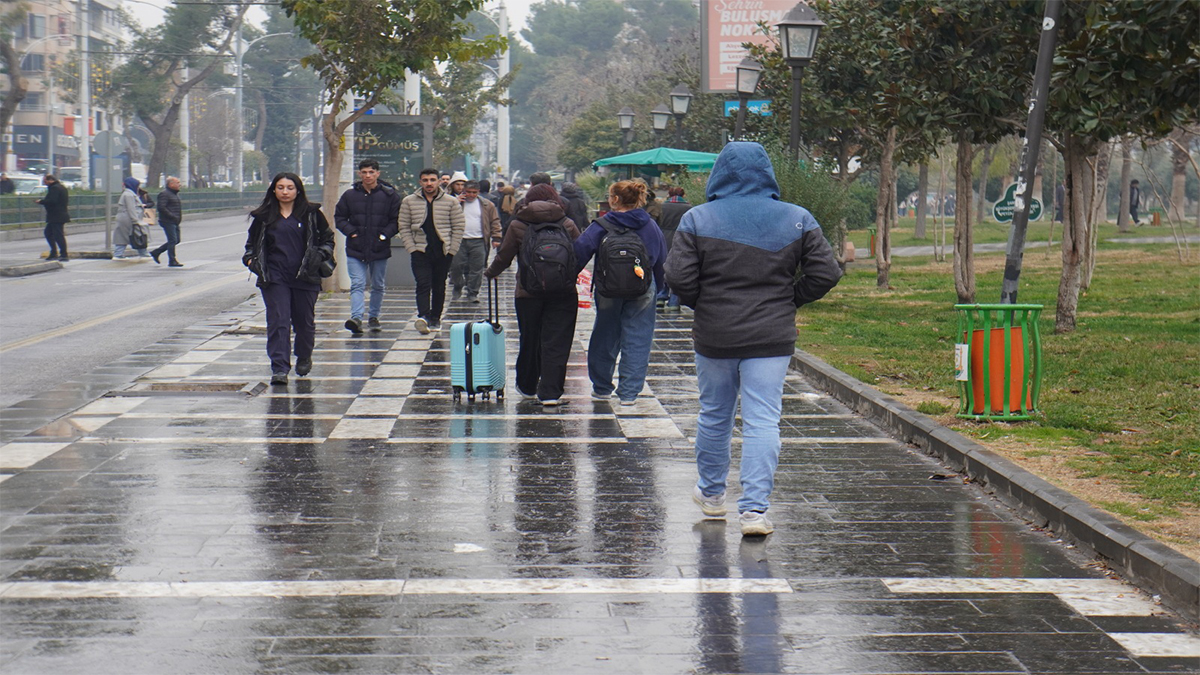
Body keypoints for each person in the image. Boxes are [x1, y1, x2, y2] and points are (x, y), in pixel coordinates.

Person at [666, 142, 842, 536]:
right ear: (767, 172)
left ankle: (712, 495)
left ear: (720, 173)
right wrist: (791, 299)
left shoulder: (697, 218)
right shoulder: (797, 218)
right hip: (771, 335)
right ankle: (754, 511)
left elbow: (677, 277)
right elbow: (826, 273)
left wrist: (703, 303)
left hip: (715, 334)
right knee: (763, 420)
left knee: (715, 414)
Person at [484, 183, 581, 406]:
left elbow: (504, 256)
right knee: (557, 341)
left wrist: (490, 273)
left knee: (530, 338)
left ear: (528, 200)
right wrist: (570, 276)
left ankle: (527, 386)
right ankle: (550, 393)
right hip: (563, 292)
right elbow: (580, 252)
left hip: (527, 292)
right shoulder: (566, 223)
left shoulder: (518, 224)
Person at [573, 180, 667, 406]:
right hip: (643, 286)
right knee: (638, 337)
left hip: (608, 288)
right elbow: (661, 259)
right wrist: (659, 286)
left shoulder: (602, 225)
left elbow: (579, 252)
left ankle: (602, 387)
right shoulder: (650, 225)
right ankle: (629, 393)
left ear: (615, 199)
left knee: (605, 334)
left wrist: (569, 278)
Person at [242, 173, 335, 386]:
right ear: (273, 190)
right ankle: (279, 368)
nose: (285, 192)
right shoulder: (263, 217)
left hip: (305, 276)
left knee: (304, 322)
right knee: (279, 321)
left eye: (290, 188)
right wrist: (251, 261)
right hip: (274, 277)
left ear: (298, 190)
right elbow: (251, 246)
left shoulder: (311, 214)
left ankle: (304, 355)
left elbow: (328, 239)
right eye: (280, 187)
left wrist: (320, 254)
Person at [335, 159, 402, 334]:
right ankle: (356, 318)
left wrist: (384, 235)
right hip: (356, 247)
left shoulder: (390, 196)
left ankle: (373, 317)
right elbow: (339, 217)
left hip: (379, 247)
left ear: (378, 173)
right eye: (364, 172)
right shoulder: (350, 195)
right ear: (359, 174)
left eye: (371, 172)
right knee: (357, 284)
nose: (368, 176)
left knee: (377, 284)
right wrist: (351, 232)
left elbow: (397, 220)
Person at [399, 168, 464, 334]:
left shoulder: (451, 202)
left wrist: (452, 249)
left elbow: (458, 227)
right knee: (422, 283)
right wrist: (411, 248)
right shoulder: (409, 201)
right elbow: (404, 226)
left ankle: (435, 317)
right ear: (420, 182)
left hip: (443, 250)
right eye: (425, 180)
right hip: (420, 250)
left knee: (439, 285)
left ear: (439, 181)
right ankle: (423, 317)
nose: (429, 183)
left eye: (432, 180)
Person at [450, 180, 502, 303]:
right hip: (459, 240)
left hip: (479, 240)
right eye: (468, 192)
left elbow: (494, 221)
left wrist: (496, 237)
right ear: (464, 191)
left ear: (478, 192)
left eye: (474, 192)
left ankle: (472, 292)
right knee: (456, 266)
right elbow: (444, 216)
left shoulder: (487, 205)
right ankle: (458, 285)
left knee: (477, 268)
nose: (471, 195)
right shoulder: (454, 203)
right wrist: (456, 203)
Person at [656, 186, 692, 311]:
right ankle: (674, 301)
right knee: (677, 269)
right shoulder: (688, 208)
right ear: (683, 195)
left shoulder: (661, 207)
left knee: (663, 267)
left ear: (669, 194)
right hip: (680, 239)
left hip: (663, 238)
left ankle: (661, 296)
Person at [35, 174, 70, 261]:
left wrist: (41, 201)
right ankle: (54, 252)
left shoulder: (55, 188)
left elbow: (52, 201)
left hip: (56, 215)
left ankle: (63, 254)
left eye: (45, 181)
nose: (45, 183)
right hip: (59, 215)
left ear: (51, 180)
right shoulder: (61, 187)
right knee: (49, 233)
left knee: (58, 235)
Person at [113, 177, 150, 258]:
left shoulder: (129, 194)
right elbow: (131, 208)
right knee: (137, 235)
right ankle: (142, 253)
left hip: (127, 219)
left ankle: (119, 254)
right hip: (129, 220)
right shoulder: (128, 195)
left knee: (124, 237)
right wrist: (135, 220)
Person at [152, 176, 184, 267]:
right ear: (171, 184)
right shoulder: (164, 194)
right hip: (167, 221)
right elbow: (161, 207)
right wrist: (172, 216)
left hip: (175, 221)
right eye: (177, 183)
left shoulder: (174, 194)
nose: (179, 185)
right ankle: (172, 260)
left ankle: (156, 252)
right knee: (172, 240)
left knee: (176, 240)